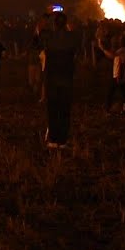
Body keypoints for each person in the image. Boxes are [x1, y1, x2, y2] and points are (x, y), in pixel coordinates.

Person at [41, 12, 78, 148]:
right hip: (67, 79)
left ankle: (53, 139)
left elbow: (38, 33)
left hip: (52, 80)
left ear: (54, 24)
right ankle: (62, 140)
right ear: (66, 24)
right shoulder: (72, 38)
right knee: (64, 110)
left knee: (53, 110)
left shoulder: (49, 37)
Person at [101, 34, 125, 113]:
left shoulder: (123, 50)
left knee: (110, 91)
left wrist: (103, 49)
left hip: (118, 74)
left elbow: (112, 56)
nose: (119, 40)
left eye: (120, 39)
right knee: (123, 91)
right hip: (120, 74)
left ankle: (107, 107)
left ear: (123, 42)